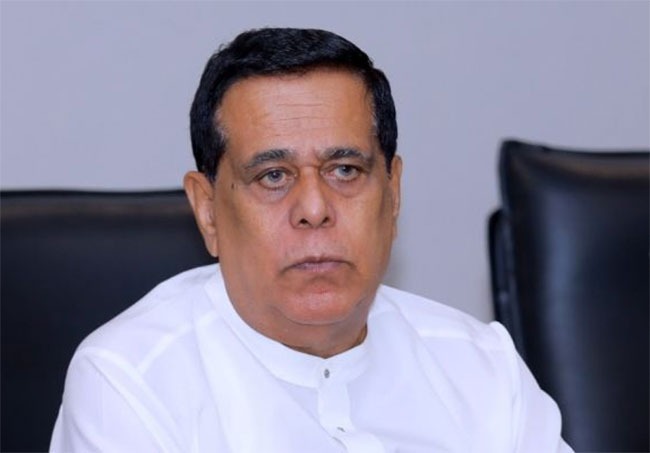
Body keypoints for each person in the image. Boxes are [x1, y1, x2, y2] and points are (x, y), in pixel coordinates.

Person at [50, 28, 572, 452]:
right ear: (207, 210)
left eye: (345, 170)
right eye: (273, 176)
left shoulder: (481, 367)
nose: (315, 209)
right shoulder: (132, 382)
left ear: (393, 194)